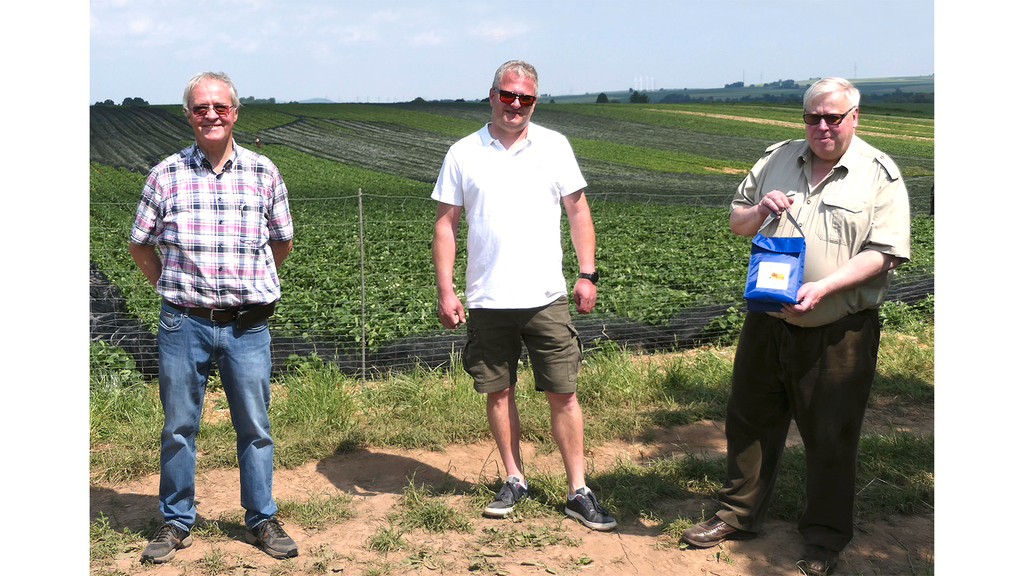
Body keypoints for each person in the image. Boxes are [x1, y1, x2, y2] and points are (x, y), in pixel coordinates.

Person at [680, 77, 911, 576]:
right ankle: (737, 515)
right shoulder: (777, 158)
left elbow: (885, 253)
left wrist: (824, 289)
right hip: (768, 319)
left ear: (854, 117)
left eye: (833, 117)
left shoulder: (879, 174)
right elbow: (737, 221)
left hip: (837, 329)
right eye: (813, 117)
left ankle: (824, 538)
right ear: (803, 117)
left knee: (830, 433)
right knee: (750, 419)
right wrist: (760, 208)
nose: (822, 126)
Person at [431, 60, 616, 531]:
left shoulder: (554, 146)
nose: (515, 105)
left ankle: (579, 489)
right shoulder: (463, 152)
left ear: (535, 101)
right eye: (507, 95)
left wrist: (587, 273)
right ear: (491, 95)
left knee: (564, 392)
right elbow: (446, 225)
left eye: (525, 99)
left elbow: (578, 213)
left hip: (546, 296)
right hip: (487, 298)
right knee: (498, 391)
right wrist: (447, 289)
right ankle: (514, 477)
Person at [129, 71, 297, 563]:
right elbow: (141, 243)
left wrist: (247, 284)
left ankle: (261, 517)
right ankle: (176, 520)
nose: (211, 115)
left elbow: (281, 241)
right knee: (179, 426)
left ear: (235, 112)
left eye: (220, 106)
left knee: (255, 426)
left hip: (248, 324)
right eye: (200, 108)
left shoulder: (264, 172)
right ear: (189, 115)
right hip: (184, 322)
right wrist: (170, 286)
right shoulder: (165, 174)